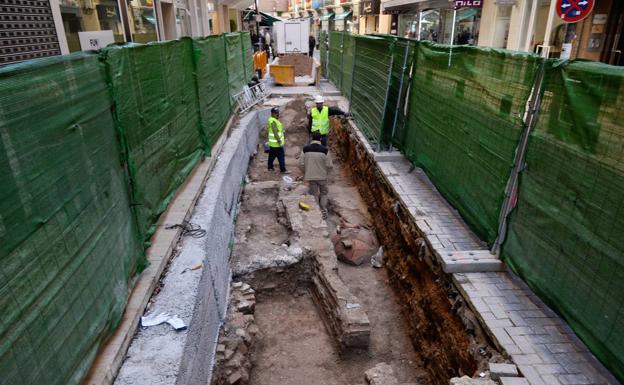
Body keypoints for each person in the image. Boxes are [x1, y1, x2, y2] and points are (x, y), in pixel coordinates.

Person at [300, 131, 332, 219]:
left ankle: (317, 212)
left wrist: (306, 172)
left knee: (314, 194)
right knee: (324, 193)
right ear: (321, 139)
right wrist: (326, 173)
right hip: (322, 176)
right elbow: (329, 165)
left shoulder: (305, 149)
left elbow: (301, 164)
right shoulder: (325, 150)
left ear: (311, 138)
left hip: (311, 176)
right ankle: (323, 212)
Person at [267, 107, 288, 173]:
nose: (278, 114)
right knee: (281, 156)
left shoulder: (273, 120)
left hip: (273, 144)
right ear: (272, 113)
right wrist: (279, 141)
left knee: (272, 155)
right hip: (277, 144)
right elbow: (275, 133)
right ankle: (283, 170)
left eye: (278, 113)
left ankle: (270, 167)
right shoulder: (273, 121)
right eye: (276, 113)